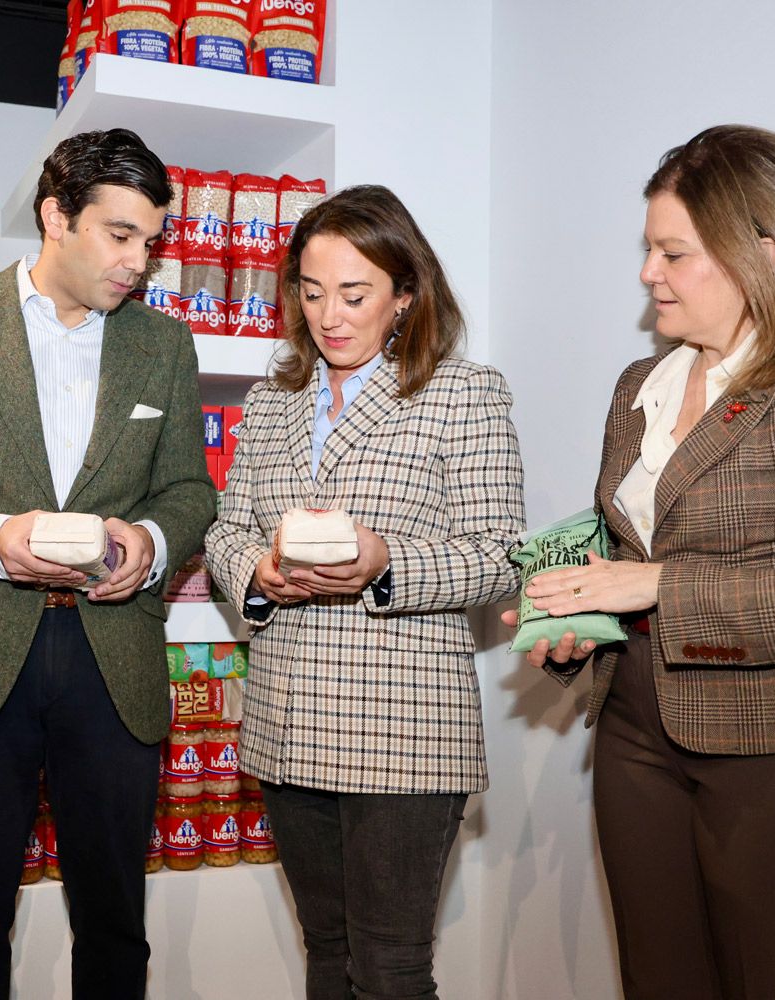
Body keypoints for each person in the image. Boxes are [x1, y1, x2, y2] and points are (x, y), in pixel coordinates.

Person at [505, 125, 775, 1000]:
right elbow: (630, 548)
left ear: (763, 254)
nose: (647, 273)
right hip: (635, 731)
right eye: (648, 249)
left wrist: (652, 585)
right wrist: (576, 618)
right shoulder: (641, 385)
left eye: (672, 253)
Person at [0, 127, 214, 998]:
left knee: (115, 924)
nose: (139, 262)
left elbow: (187, 491)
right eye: (120, 234)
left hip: (112, 659)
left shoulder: (163, 345)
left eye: (150, 240)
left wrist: (150, 542)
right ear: (56, 217)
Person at [204, 185, 526, 999]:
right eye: (312, 293)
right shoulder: (272, 401)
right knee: (326, 952)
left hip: (405, 722)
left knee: (390, 967)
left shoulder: (462, 391)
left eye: (354, 294)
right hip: (285, 721)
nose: (330, 317)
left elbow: (501, 555)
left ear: (405, 294)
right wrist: (257, 574)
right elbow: (226, 530)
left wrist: (386, 563)